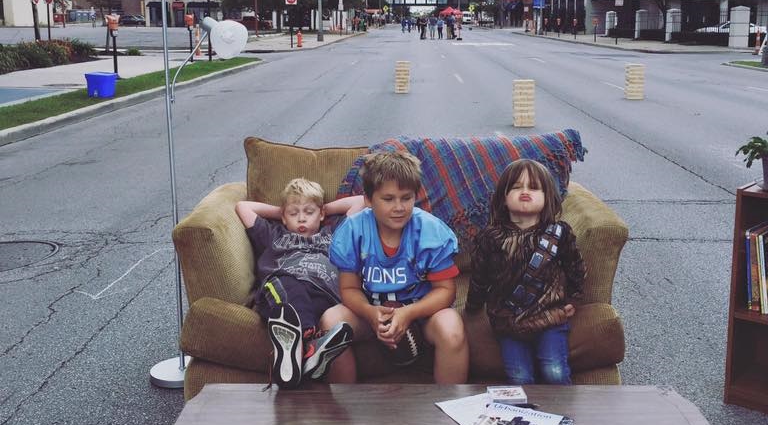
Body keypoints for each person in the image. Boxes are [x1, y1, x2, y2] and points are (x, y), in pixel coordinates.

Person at [330, 151, 469, 383]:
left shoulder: (430, 231)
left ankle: (451, 401)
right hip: (372, 314)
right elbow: (349, 289)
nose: (399, 207)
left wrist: (408, 313)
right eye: (388, 199)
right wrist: (370, 313)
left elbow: (446, 291)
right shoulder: (353, 230)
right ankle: (342, 402)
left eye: (406, 198)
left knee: (451, 326)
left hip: (422, 315)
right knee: (332, 321)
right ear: (368, 199)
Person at [465, 159, 585, 386]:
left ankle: (563, 407)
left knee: (554, 371)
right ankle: (525, 410)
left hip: (549, 316)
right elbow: (479, 276)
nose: (525, 192)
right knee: (519, 378)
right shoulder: (491, 237)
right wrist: (473, 307)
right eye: (517, 187)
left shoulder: (558, 234)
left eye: (534, 187)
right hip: (508, 321)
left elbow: (575, 267)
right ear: (503, 197)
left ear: (547, 196)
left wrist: (574, 298)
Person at [236, 180, 365, 388]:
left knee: (322, 309)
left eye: (309, 212)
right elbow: (243, 207)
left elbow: (360, 202)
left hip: (323, 294)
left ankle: (297, 353)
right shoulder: (275, 234)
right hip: (283, 291)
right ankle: (306, 343)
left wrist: (323, 209)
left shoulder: (333, 233)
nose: (301, 218)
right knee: (289, 288)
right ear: (284, 217)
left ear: (321, 214)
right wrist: (281, 212)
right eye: (294, 213)